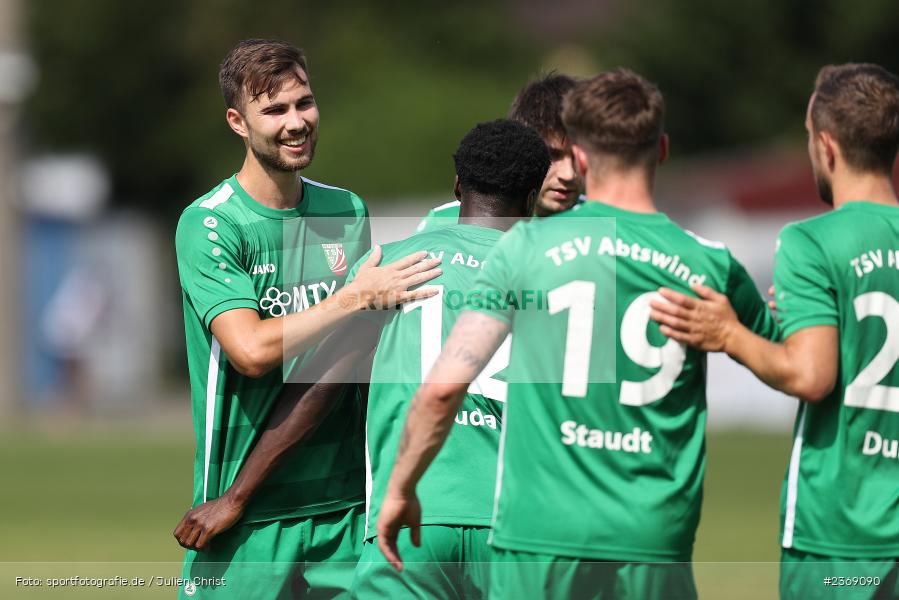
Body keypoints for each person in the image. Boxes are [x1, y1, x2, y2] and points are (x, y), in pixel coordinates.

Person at [376, 69, 777, 599]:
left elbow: (442, 386)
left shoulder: (524, 247)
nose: (563, 173)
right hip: (638, 526)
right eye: (549, 156)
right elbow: (799, 364)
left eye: (571, 156)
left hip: (538, 524)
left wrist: (399, 484)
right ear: (661, 150)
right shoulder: (703, 258)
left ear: (585, 157)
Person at [173, 118, 549, 599]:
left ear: (457, 187)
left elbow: (324, 382)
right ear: (534, 196)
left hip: (411, 519)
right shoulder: (564, 281)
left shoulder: (395, 268)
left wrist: (236, 495)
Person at [173, 38, 439, 599]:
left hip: (344, 509)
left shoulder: (343, 210)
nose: (296, 122)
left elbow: (348, 356)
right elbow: (250, 352)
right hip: (241, 516)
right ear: (237, 122)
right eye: (274, 110)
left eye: (304, 103)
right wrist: (354, 298)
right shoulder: (213, 224)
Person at [649, 63, 899, 599]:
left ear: (827, 146)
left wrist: (727, 334)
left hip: (843, 537)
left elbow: (811, 376)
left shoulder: (814, 241)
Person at [416, 72, 580, 232]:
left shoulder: (603, 225)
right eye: (552, 156)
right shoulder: (443, 221)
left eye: (578, 157)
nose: (569, 174)